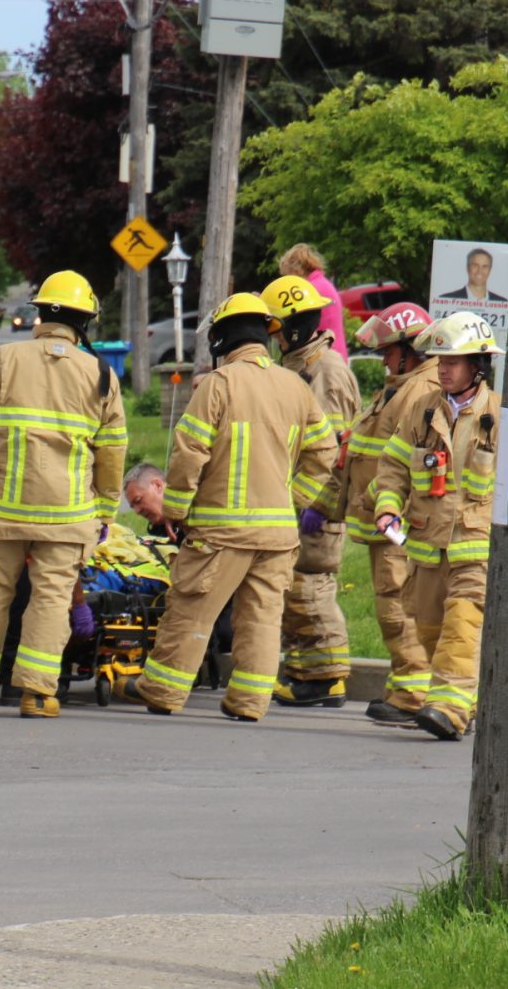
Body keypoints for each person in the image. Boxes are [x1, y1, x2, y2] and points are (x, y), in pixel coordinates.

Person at [114, 293, 337, 722]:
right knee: (262, 618)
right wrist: (294, 498)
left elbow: (188, 452)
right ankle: (249, 702)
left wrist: (175, 510)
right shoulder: (295, 386)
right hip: (277, 535)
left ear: (220, 339)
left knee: (191, 608)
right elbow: (325, 450)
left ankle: (161, 689)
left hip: (222, 533)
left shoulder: (220, 385)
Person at [0, 270, 127, 719]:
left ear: (41, 315)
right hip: (68, 513)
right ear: (84, 322)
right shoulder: (100, 373)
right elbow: (112, 453)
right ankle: (37, 694)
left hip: (3, 508)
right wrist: (105, 511)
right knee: (52, 598)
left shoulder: (3, 358)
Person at [372, 311, 503, 740]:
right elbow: (392, 466)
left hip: (476, 546)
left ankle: (448, 707)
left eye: (453, 360)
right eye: (439, 359)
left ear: (477, 366)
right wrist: (387, 507)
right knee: (428, 627)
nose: (442, 368)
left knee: (462, 625)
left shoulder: (500, 416)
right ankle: (472, 699)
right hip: (428, 547)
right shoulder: (422, 409)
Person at [260, 273, 361, 708]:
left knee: (312, 588)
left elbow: (333, 449)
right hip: (296, 499)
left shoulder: (327, 372)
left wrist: (317, 504)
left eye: (277, 328)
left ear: (294, 326)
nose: (273, 338)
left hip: (316, 504)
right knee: (295, 589)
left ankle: (327, 679)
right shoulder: (302, 367)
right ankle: (306, 672)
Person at [345, 303, 443, 727]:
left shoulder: (419, 392)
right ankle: (406, 685)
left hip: (396, 520)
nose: (383, 358)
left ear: (411, 348)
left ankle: (412, 693)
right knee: (397, 603)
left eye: (388, 350)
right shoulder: (402, 386)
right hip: (381, 516)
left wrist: (377, 502)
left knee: (398, 606)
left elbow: (404, 462)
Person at [278, 243, 348, 361]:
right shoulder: (323, 284)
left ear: (296, 269)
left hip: (321, 359)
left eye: (287, 275)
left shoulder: (308, 290)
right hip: (335, 354)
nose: (287, 280)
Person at [441, 248, 508, 303]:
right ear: (468, 268)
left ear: (490, 270)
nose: (480, 271)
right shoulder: (447, 300)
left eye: (485, 266)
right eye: (475, 265)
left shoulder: (502, 302)